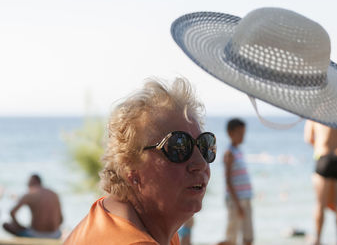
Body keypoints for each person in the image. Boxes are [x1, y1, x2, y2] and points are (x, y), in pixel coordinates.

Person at [64, 77, 216, 245]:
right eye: (178, 147)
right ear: (130, 167)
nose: (201, 163)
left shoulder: (110, 216)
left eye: (204, 145)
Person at [304, 120, 337, 245]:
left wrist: (319, 146)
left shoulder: (315, 113)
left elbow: (308, 138)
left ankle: (318, 239)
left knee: (320, 204)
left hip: (324, 155)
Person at [218, 118, 253, 245]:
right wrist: (237, 203)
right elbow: (228, 180)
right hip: (236, 200)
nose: (243, 136)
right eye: (240, 133)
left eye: (244, 133)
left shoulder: (239, 151)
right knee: (231, 237)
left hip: (246, 198)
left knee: (248, 236)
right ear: (230, 133)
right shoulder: (229, 153)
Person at [2, 174, 63, 239]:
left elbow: (12, 212)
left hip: (35, 235)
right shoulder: (53, 194)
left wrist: (20, 227)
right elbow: (61, 219)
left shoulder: (30, 194)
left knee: (5, 225)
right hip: (55, 235)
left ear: (31, 183)